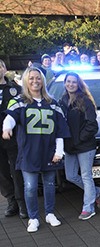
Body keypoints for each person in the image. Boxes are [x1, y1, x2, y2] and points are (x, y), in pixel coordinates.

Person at [3, 67, 70, 232]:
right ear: (26, 80)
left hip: (48, 151)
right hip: (28, 152)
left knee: (49, 184)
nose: (35, 81)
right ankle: (33, 217)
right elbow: (10, 117)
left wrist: (59, 151)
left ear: (43, 81)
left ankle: (49, 213)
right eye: (31, 78)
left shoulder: (52, 103)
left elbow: (60, 130)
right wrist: (7, 128)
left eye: (38, 78)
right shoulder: (20, 101)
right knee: (31, 187)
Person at [59, 72, 100, 220]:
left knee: (86, 176)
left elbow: (93, 125)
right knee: (70, 176)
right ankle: (96, 192)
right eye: (68, 81)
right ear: (65, 83)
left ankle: (88, 207)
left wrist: (79, 139)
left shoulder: (85, 101)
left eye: (74, 82)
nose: (71, 84)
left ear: (79, 84)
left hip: (85, 146)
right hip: (69, 147)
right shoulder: (62, 101)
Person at [0, 59, 26, 218]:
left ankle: (22, 202)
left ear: (5, 69)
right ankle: (11, 201)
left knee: (17, 170)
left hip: (13, 136)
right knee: (1, 172)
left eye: (0, 66)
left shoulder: (15, 89)